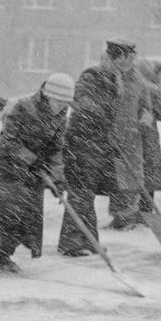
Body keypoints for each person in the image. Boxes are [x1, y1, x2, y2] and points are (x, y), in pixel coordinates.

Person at [0, 73, 74, 272]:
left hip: (34, 175)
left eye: (65, 102)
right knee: (4, 214)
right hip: (9, 169)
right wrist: (32, 159)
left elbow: (56, 149)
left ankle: (3, 255)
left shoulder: (61, 115)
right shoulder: (23, 107)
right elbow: (8, 141)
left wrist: (58, 178)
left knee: (25, 220)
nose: (61, 106)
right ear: (47, 95)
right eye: (58, 101)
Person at [57, 38, 132, 256]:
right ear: (116, 57)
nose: (130, 63)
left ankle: (88, 239)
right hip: (82, 143)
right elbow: (80, 101)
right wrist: (99, 119)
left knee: (86, 194)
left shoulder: (114, 77)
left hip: (97, 144)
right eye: (128, 58)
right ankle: (70, 242)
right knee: (80, 193)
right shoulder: (92, 75)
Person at [105, 45, 150, 231]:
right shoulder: (107, 77)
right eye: (126, 57)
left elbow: (146, 106)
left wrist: (145, 118)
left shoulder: (139, 81)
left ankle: (129, 217)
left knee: (131, 177)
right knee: (114, 178)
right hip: (110, 135)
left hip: (132, 136)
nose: (129, 61)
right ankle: (118, 217)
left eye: (132, 57)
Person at [136, 59, 161, 220]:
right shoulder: (152, 89)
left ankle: (133, 209)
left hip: (133, 132)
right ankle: (146, 210)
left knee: (136, 169)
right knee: (150, 169)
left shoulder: (133, 85)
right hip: (149, 133)